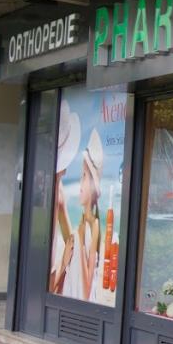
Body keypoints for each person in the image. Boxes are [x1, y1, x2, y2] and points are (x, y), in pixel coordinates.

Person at [63, 129, 104, 301]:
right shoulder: (81, 223)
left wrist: (79, 243)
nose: (79, 184)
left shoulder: (93, 225)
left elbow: (88, 288)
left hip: (79, 297)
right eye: (81, 176)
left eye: (84, 176)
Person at [49, 100, 81, 294]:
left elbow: (69, 236)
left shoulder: (57, 188)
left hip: (51, 262)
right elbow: (69, 236)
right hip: (51, 263)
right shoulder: (57, 188)